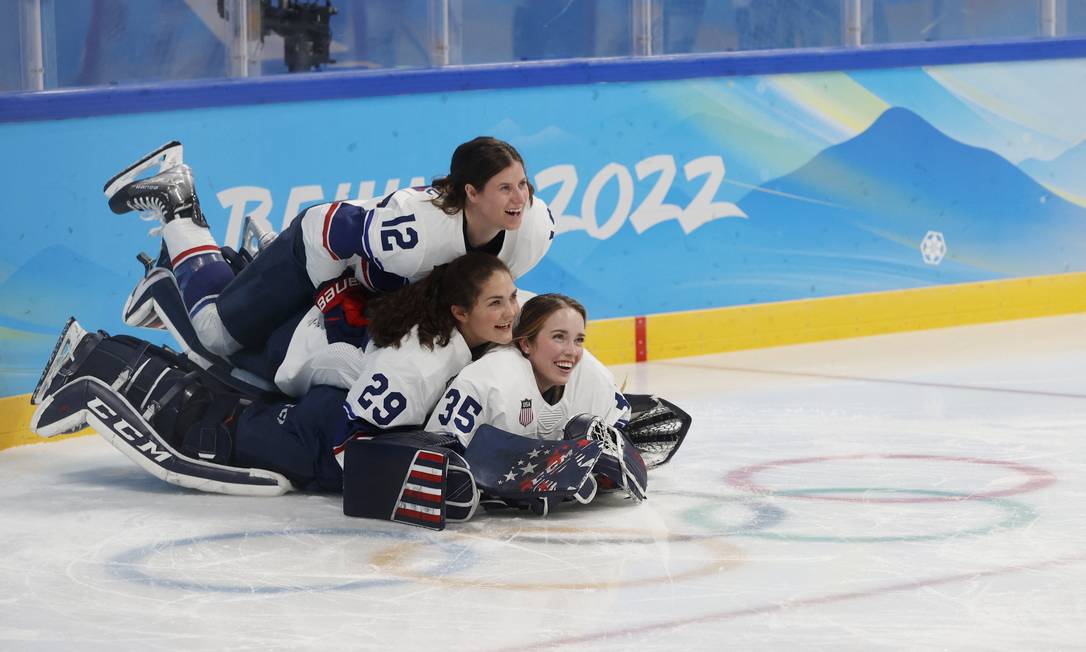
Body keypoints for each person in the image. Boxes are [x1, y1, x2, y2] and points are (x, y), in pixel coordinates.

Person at [30, 253, 519, 508]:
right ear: (461, 311)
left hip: (325, 396)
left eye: (511, 298)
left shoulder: (452, 333)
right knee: (214, 422)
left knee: (228, 393)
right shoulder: (423, 363)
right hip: (318, 436)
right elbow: (353, 445)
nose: (510, 313)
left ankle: (115, 338)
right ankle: (88, 360)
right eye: (495, 304)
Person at [103, 136, 554, 391]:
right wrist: (321, 296)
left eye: (523, 185)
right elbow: (328, 228)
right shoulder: (414, 236)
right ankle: (178, 205)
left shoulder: (534, 230)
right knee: (218, 336)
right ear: (471, 193)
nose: (520, 199)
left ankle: (250, 256)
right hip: (314, 253)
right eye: (505, 189)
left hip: (367, 281)